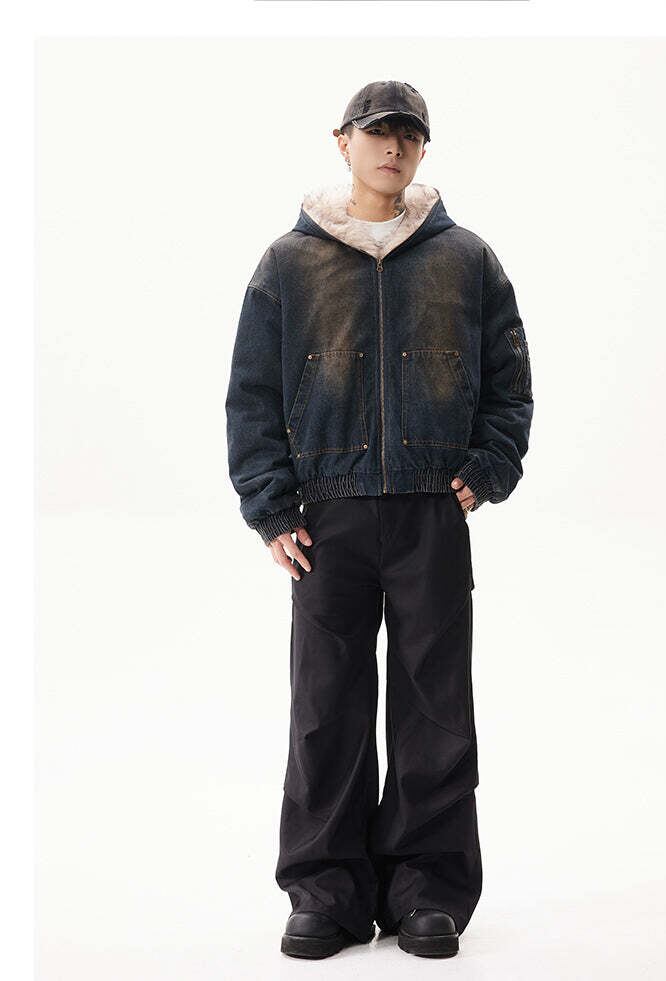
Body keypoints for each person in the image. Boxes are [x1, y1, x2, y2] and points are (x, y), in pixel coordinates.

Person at [225, 80, 534, 960]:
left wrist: (487, 467)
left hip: (433, 509)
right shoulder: (289, 263)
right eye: (377, 132)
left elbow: (510, 383)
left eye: (408, 135)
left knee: (437, 702)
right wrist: (270, 504)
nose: (392, 147)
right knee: (325, 705)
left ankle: (428, 889)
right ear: (343, 142)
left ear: (423, 149)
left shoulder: (466, 259)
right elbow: (251, 394)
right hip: (326, 517)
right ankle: (325, 890)